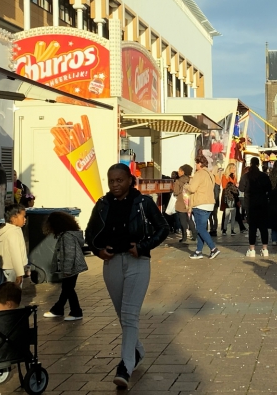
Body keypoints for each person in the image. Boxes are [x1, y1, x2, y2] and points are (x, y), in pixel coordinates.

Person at [86, 164, 169, 388]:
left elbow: (163, 228)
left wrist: (143, 247)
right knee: (122, 314)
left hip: (137, 262)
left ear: (130, 180)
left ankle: (125, 366)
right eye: (111, 181)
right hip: (112, 263)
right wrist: (98, 251)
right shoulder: (102, 204)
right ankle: (138, 351)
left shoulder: (143, 203)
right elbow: (90, 233)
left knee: (130, 314)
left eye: (119, 180)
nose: (115, 185)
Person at [41, 211, 87, 320]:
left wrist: (66, 270)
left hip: (71, 268)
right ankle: (59, 309)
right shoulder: (69, 234)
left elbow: (69, 254)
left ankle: (75, 311)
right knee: (67, 288)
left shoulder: (67, 236)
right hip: (73, 267)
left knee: (68, 289)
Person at [184, 155, 221, 259]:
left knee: (200, 228)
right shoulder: (210, 174)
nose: (195, 165)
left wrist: (186, 185)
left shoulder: (199, 174)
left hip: (200, 204)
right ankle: (198, 251)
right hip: (209, 204)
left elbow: (192, 188)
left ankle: (213, 249)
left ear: (200, 163)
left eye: (196, 163)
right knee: (202, 228)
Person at [243, 156, 272, 257]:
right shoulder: (264, 176)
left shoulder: (246, 176)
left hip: (250, 204)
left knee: (252, 227)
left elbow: (241, 188)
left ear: (250, 164)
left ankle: (252, 250)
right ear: (258, 164)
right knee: (263, 227)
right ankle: (265, 249)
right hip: (263, 204)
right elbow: (269, 188)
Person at [0, 204, 29, 285]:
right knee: (13, 291)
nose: (25, 219)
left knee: (8, 289)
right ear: (14, 218)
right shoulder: (13, 232)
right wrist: (19, 273)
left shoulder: (6, 229)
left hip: (7, 266)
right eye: (23, 217)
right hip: (14, 268)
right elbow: (15, 253)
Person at [172, 165, 193, 242]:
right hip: (189, 201)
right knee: (190, 219)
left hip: (181, 202)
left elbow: (176, 192)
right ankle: (194, 234)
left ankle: (184, 237)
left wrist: (174, 192)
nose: (178, 172)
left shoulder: (178, 181)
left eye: (179, 170)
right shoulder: (191, 180)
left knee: (182, 220)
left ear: (183, 172)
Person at [221, 162, 240, 236]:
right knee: (225, 214)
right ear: (229, 169)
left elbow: (235, 187)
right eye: (233, 168)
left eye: (235, 168)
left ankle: (232, 229)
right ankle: (224, 229)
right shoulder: (225, 176)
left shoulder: (234, 177)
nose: (234, 169)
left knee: (233, 214)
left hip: (233, 197)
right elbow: (224, 186)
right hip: (227, 196)